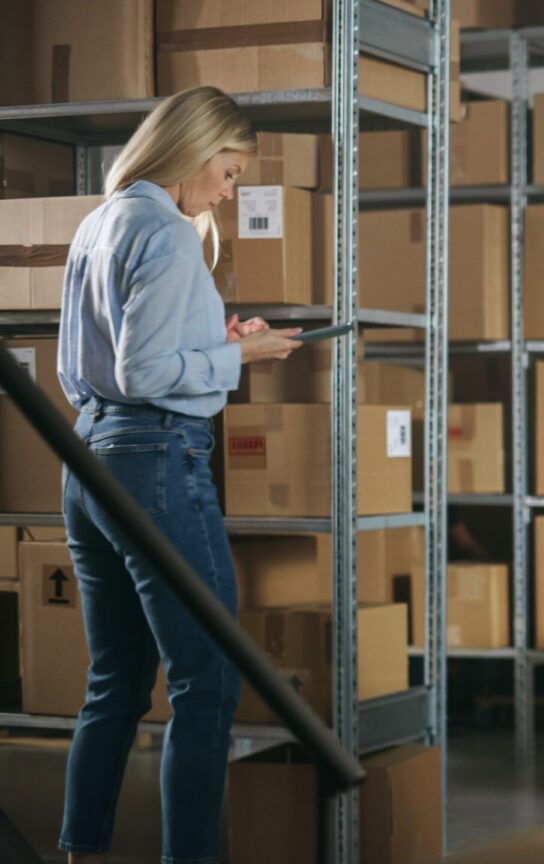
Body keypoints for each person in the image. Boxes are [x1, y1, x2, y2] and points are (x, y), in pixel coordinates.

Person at [56, 87, 301, 864]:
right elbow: (148, 368)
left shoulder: (99, 223)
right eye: (228, 172)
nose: (229, 192)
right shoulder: (165, 232)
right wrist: (240, 357)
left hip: (89, 458)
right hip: (157, 460)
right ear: (193, 151)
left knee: (118, 684)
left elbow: (100, 363)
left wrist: (214, 335)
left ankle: (79, 850)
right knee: (208, 679)